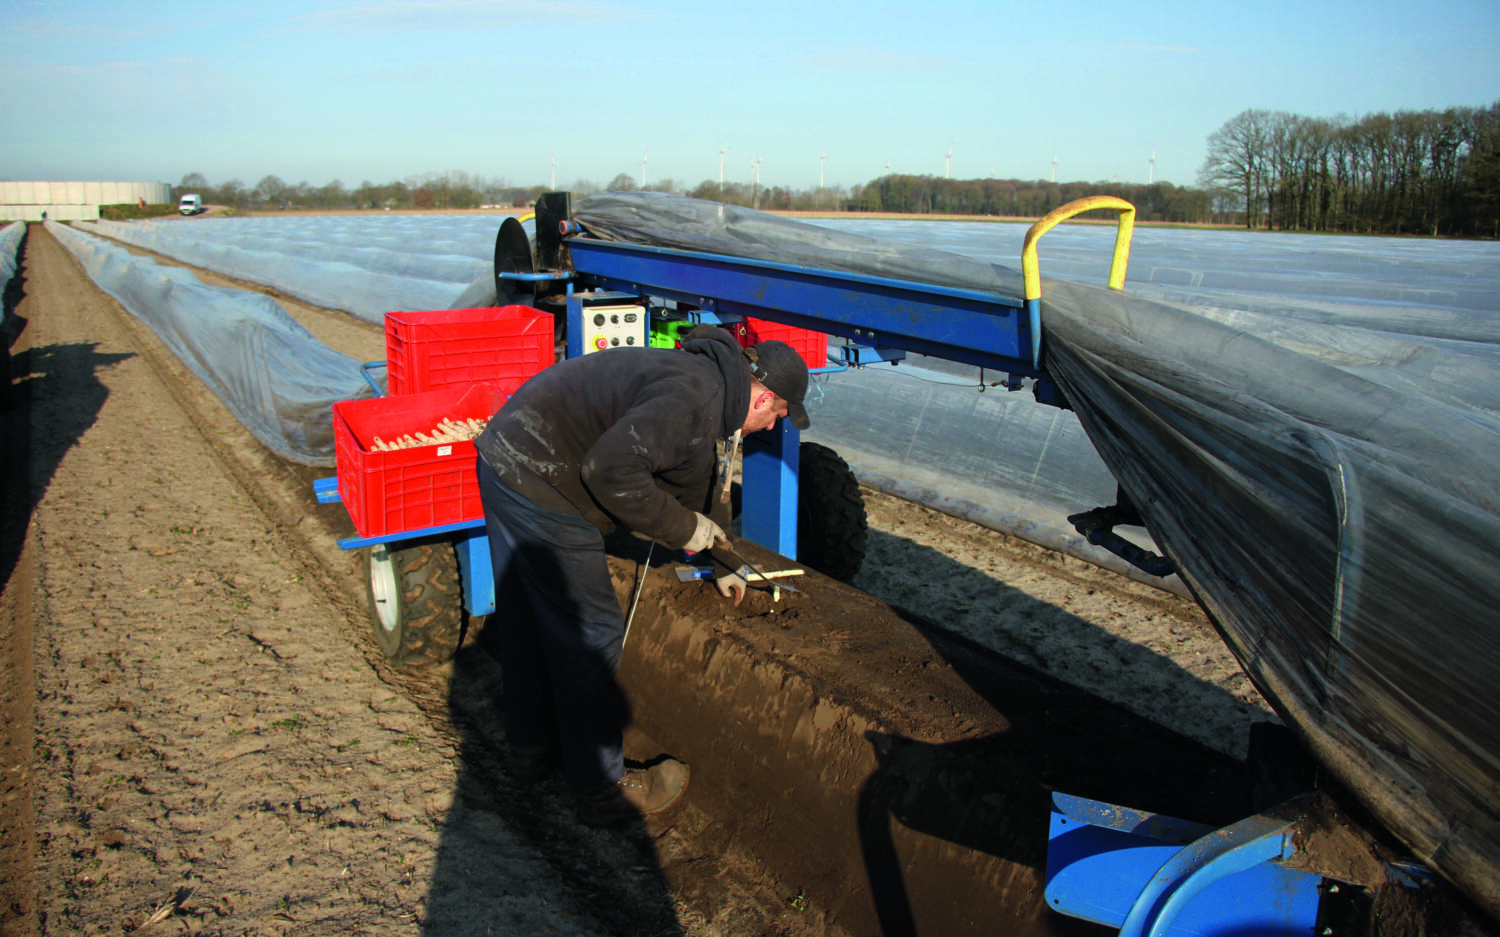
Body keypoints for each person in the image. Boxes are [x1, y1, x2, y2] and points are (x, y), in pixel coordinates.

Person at [473, 325, 811, 826]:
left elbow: (697, 485)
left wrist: (724, 560)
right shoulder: (695, 401)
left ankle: (530, 750)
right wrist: (680, 529)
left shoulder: (707, 383)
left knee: (524, 612)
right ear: (764, 396)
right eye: (778, 415)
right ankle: (599, 785)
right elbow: (609, 471)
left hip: (504, 455)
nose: (770, 428)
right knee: (593, 630)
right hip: (541, 480)